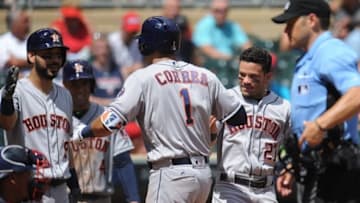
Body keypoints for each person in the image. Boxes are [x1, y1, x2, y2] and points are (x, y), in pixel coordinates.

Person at [71, 16, 247, 203]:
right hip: (203, 176)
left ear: (148, 44)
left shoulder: (143, 78)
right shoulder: (205, 75)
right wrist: (211, 133)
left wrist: (82, 133)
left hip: (170, 175)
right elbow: (239, 116)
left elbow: (110, 122)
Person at [272, 0, 360, 202]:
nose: (285, 30)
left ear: (311, 20)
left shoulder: (329, 51)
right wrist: (295, 164)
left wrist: (320, 125)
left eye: (290, 23)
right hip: (316, 167)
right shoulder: (310, 58)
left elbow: (357, 93)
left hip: (337, 170)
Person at [0, 28, 80, 203]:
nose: (55, 60)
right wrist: (6, 99)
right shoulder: (16, 91)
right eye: (48, 55)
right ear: (31, 56)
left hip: (61, 188)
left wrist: (74, 185)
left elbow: (67, 143)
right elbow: (7, 124)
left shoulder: (65, 95)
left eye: (58, 55)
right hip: (28, 189)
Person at [211, 47, 291, 203]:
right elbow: (207, 143)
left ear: (268, 77)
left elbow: (293, 146)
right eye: (242, 75)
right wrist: (210, 133)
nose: (246, 81)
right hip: (230, 188)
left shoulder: (283, 107)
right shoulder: (226, 100)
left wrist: (288, 171)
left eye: (253, 77)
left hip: (266, 190)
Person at [62, 59, 140, 203]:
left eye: (84, 83)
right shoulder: (58, 118)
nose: (79, 89)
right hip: (66, 198)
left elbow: (123, 161)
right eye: (74, 84)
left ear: (92, 86)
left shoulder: (107, 118)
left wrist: (133, 199)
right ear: (65, 87)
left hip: (101, 198)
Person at [108, 11, 143, 79]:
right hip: (113, 75)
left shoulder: (138, 42)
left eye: (134, 32)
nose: (132, 34)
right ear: (123, 28)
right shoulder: (112, 41)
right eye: (129, 32)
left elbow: (139, 65)